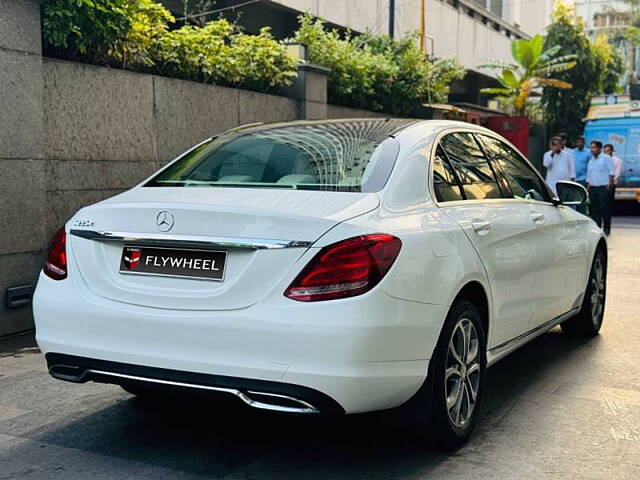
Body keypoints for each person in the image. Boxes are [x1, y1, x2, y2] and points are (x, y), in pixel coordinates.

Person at [587, 141, 616, 235]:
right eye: (591, 147)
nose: (592, 150)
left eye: (594, 147)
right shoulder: (591, 161)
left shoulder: (606, 158)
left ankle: (607, 228)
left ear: (599, 149)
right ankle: (597, 229)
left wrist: (610, 186)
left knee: (604, 209)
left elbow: (612, 172)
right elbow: (589, 174)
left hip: (603, 188)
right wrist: (589, 185)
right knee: (594, 210)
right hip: (593, 188)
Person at [603, 143, 622, 234]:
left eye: (608, 151)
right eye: (604, 151)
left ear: (611, 151)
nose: (606, 153)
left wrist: (609, 182)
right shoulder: (601, 160)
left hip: (610, 185)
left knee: (608, 207)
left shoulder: (617, 161)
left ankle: (607, 228)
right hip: (601, 185)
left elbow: (616, 173)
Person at [572, 136, 591, 214]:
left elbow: (590, 166)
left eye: (581, 142)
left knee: (581, 200)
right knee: (572, 200)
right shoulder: (572, 152)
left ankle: (582, 214)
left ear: (583, 143)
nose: (579, 144)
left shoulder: (588, 153)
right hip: (573, 179)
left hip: (583, 179)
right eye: (577, 142)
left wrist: (588, 179)